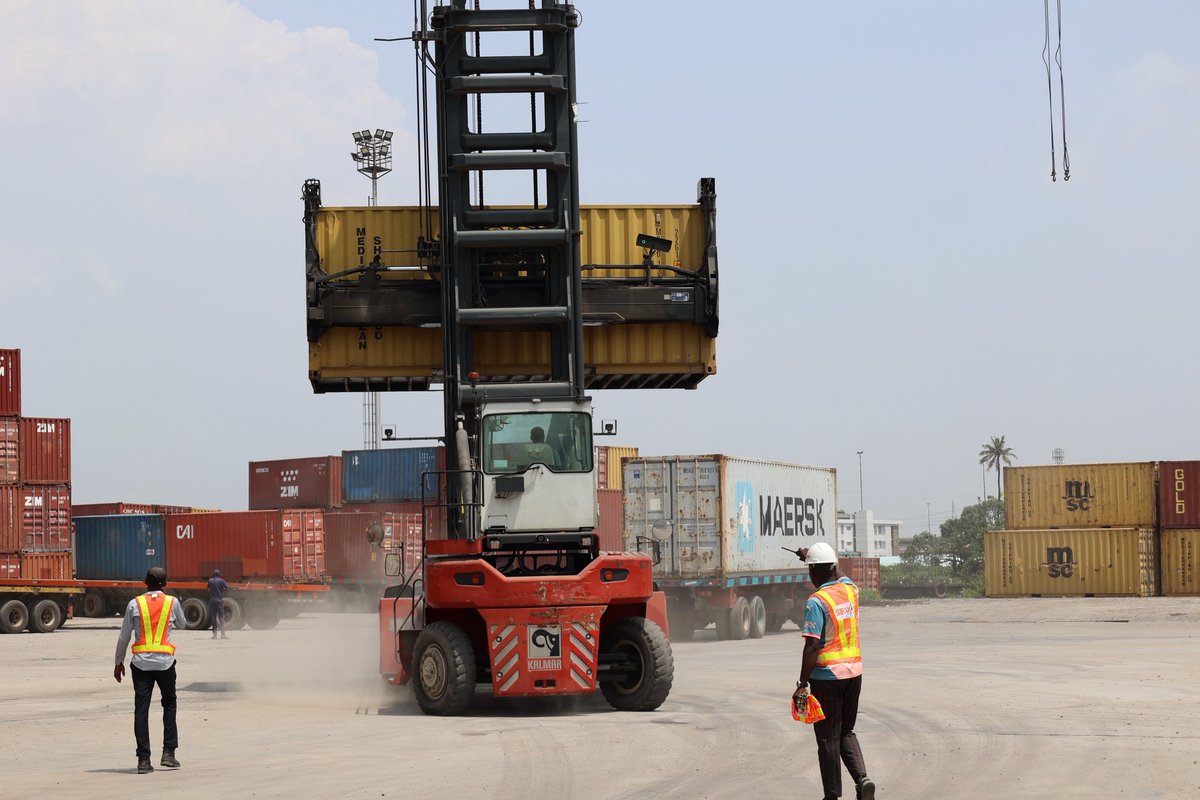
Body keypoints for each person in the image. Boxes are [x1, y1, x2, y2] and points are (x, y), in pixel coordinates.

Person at [792, 542, 876, 800]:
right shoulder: (851, 591)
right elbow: (838, 572)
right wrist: (814, 557)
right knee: (846, 731)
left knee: (827, 739)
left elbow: (812, 645)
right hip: (854, 673)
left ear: (813, 571)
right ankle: (862, 780)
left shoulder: (816, 601)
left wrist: (801, 684)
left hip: (827, 678)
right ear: (833, 566)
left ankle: (831, 796)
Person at [113, 566, 187, 774]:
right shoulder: (172, 602)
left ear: (145, 583)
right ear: (165, 584)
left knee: (141, 710)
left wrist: (118, 661)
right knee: (169, 704)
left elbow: (124, 636)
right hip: (164, 663)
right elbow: (182, 624)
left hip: (141, 664)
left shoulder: (134, 604)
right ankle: (169, 754)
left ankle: (144, 760)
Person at [207, 568, 230, 639]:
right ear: (219, 574)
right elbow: (227, 587)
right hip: (219, 601)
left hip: (212, 600)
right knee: (221, 617)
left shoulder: (210, 580)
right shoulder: (221, 580)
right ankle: (223, 635)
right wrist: (222, 590)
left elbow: (208, 589)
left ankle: (214, 635)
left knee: (213, 618)